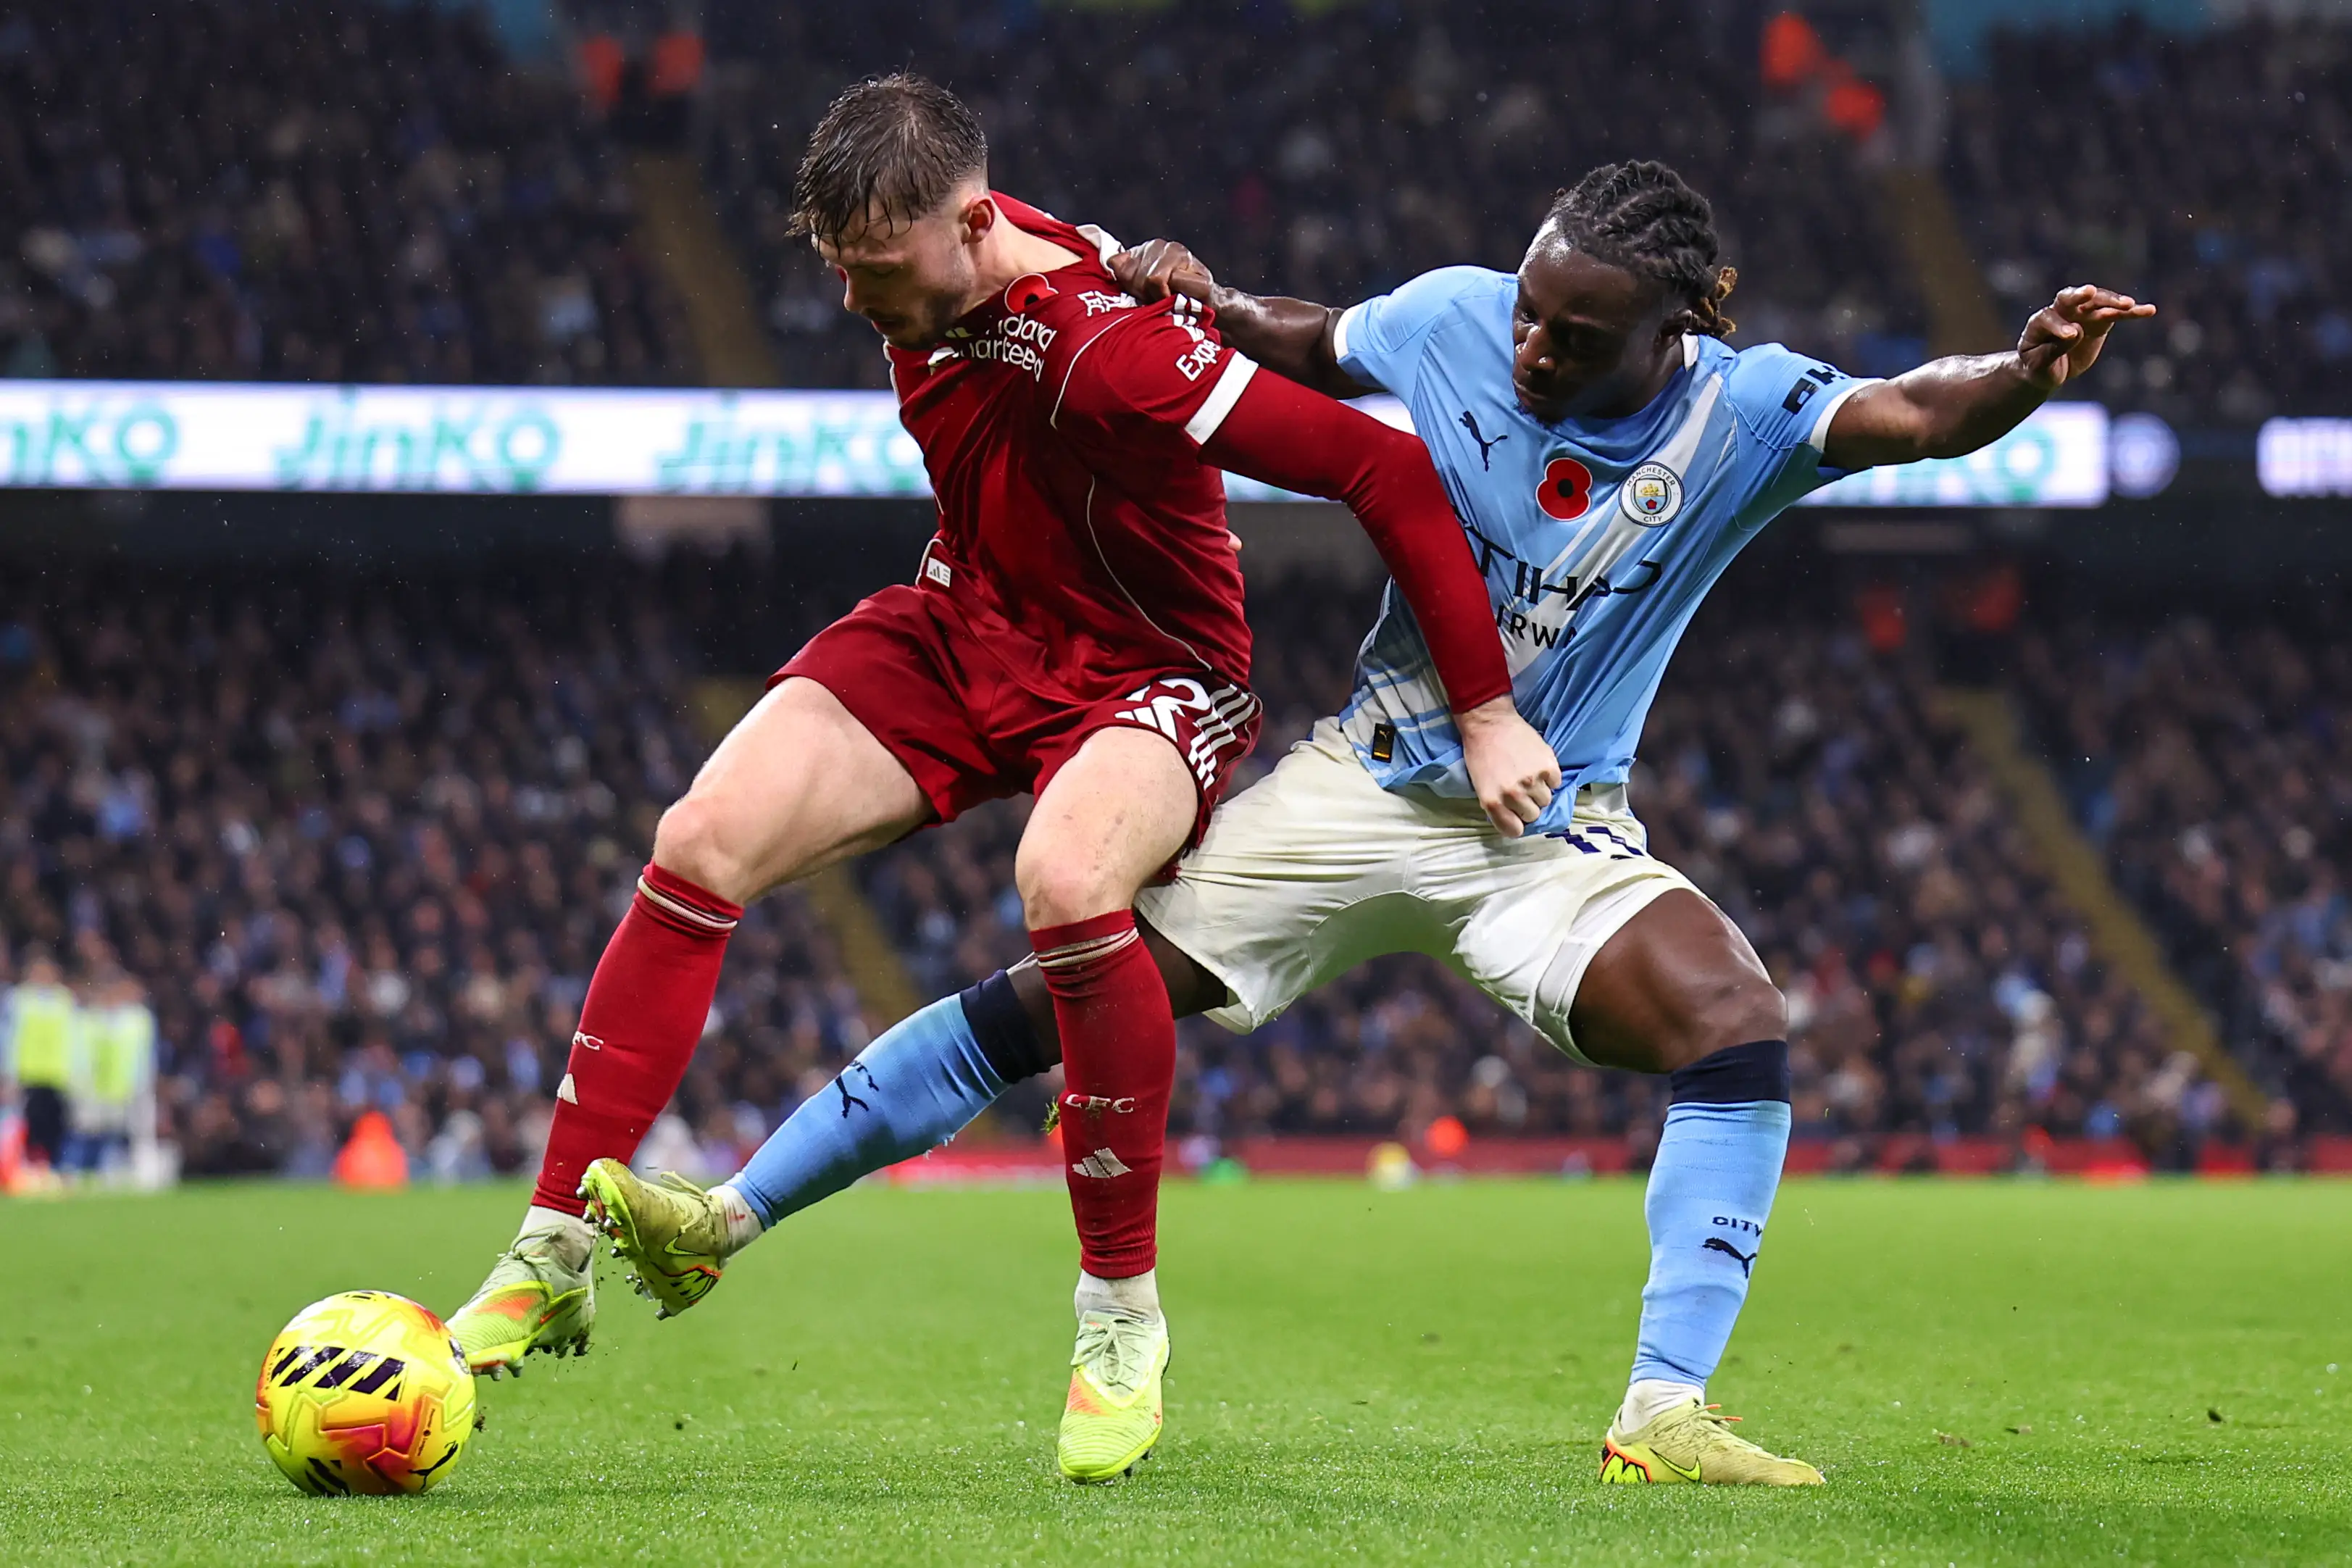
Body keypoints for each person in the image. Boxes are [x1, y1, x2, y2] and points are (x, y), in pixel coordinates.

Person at [585, 159, 2153, 1485]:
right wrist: (1195, 298)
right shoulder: (1459, 313)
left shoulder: (1743, 412)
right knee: (1062, 984)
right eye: (1529, 310)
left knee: (1734, 1020)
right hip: (1361, 783)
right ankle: (728, 1211)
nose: (1530, 346)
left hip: (1546, 824)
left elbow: (1911, 412)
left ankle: (1663, 1409)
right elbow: (1310, 342)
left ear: (1673, 331)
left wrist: (2019, 372)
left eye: (1574, 336)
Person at [443, 74, 1559, 1487]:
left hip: (1150, 672)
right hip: (967, 620)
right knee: (699, 834)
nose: (855, 302)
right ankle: (551, 1248)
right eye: (839, 268)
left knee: (1067, 878)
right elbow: (1054, 230)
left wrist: (1486, 712)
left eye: (877, 270)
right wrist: (1128, 252)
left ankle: (1119, 1319)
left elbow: (1381, 471)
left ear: (970, 228)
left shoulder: (1116, 352)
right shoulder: (970, 245)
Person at [2, 951, 80, 1172]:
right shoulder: (18, 999)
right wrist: (9, 1073)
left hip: (57, 1075)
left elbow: (75, 1038)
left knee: (55, 1124)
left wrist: (76, 1071)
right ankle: (28, 1165)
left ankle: (51, 1166)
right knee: (28, 1124)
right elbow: (10, 1037)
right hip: (29, 1073)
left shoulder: (65, 1000)